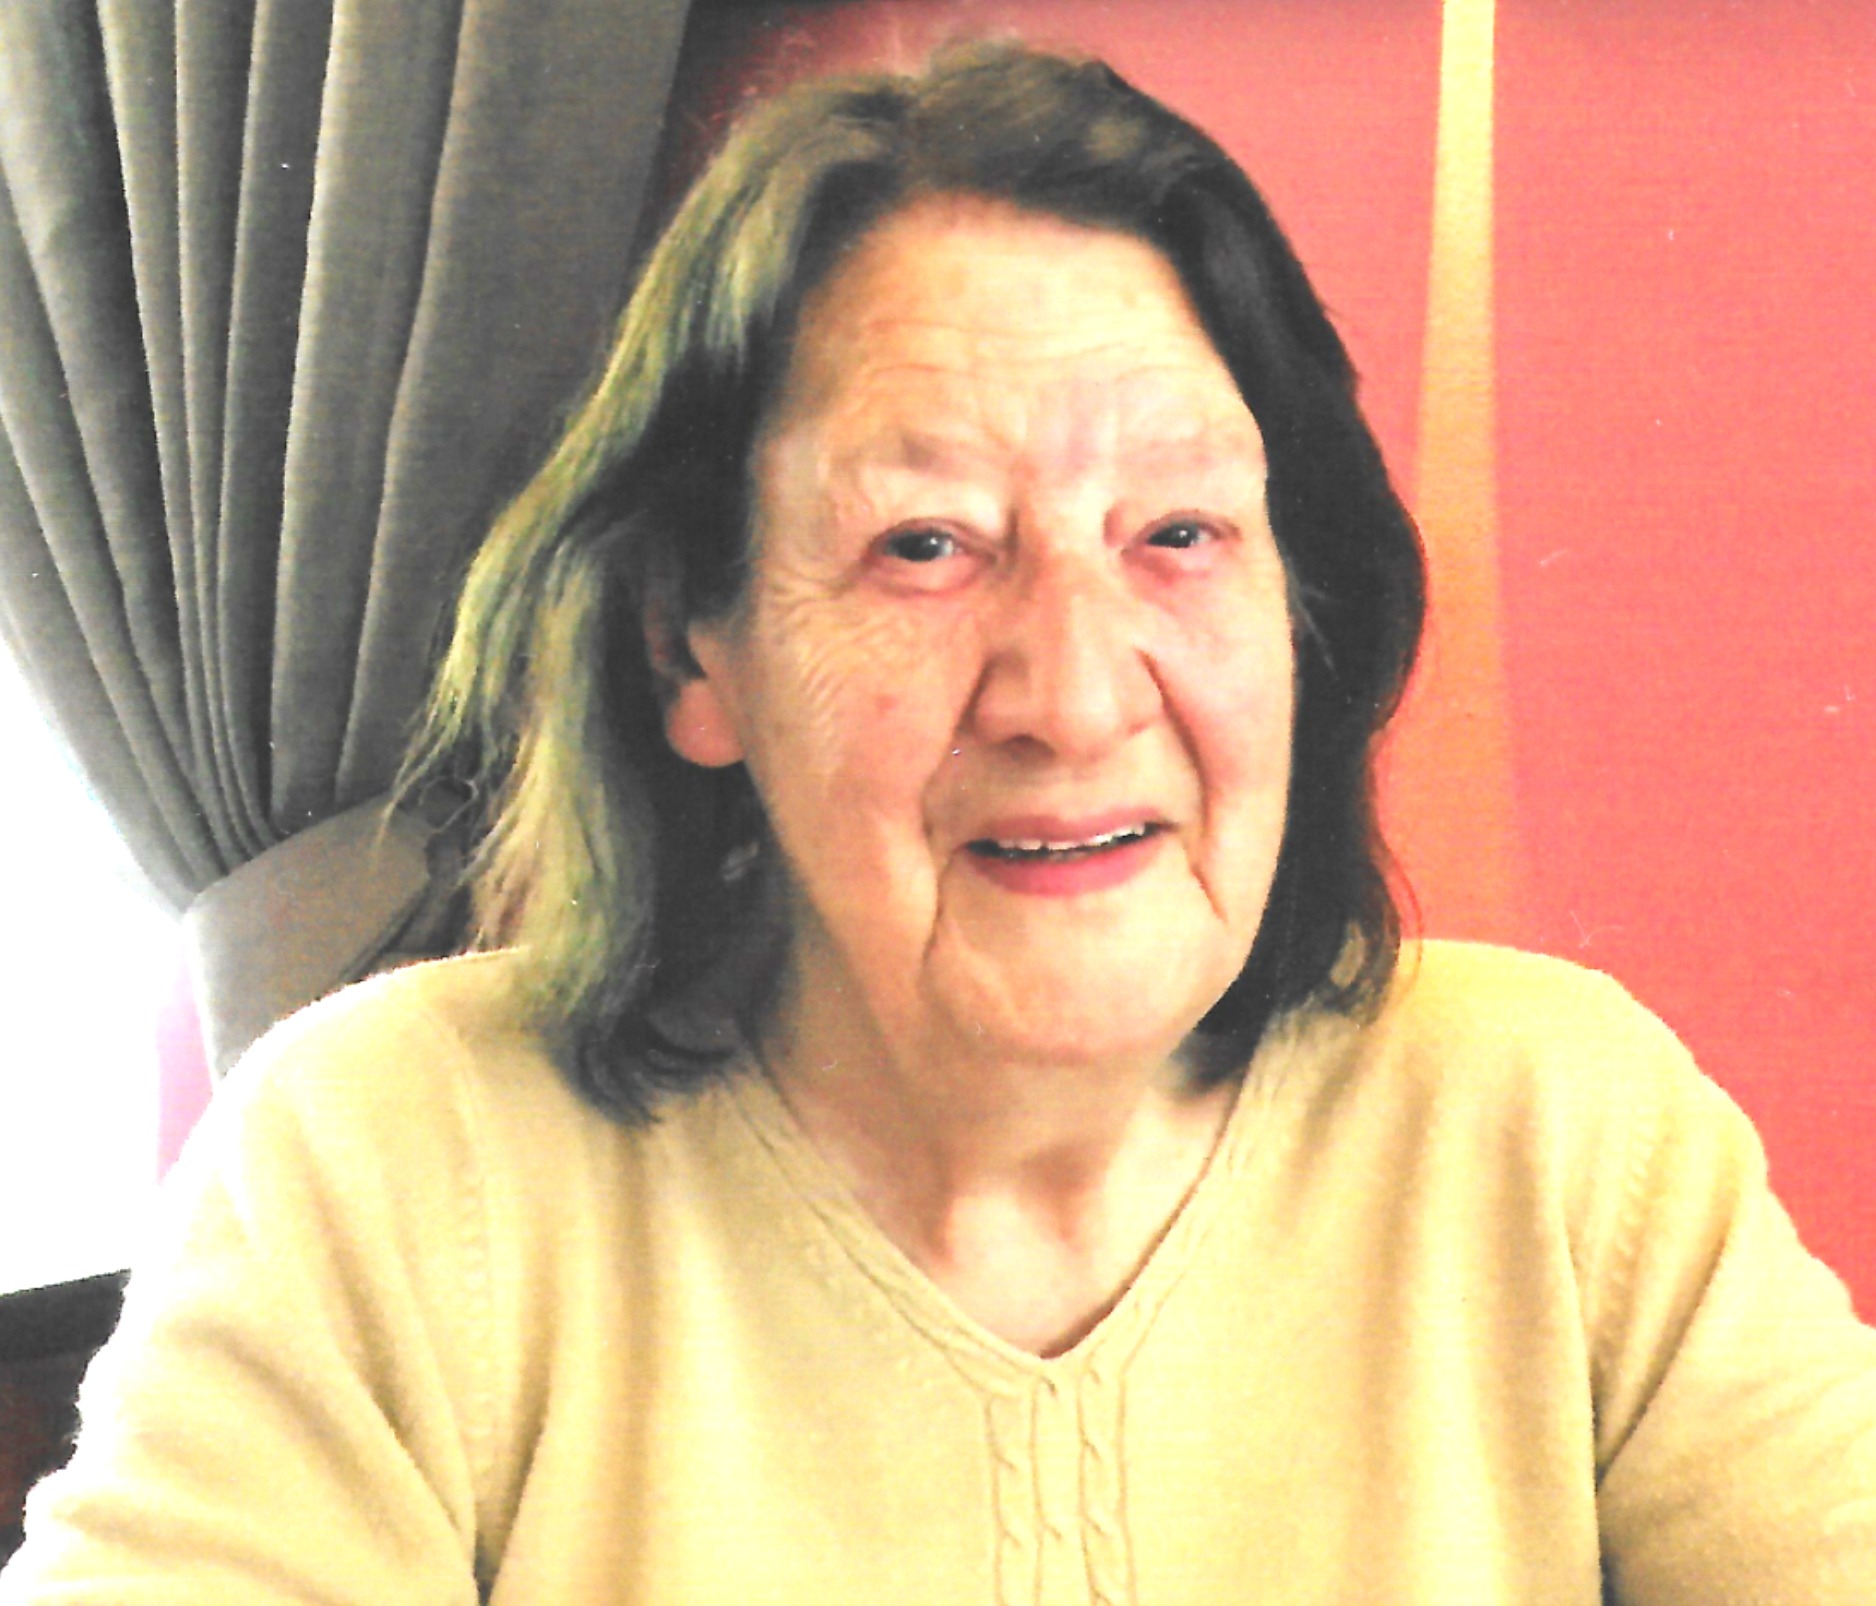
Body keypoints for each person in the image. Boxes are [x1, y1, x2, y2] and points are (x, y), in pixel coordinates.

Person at [6, 41, 1875, 1605]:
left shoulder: (1560, 1132)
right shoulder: (395, 1167)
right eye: (926, 548)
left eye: (1179, 536)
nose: (1072, 693)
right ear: (695, 650)